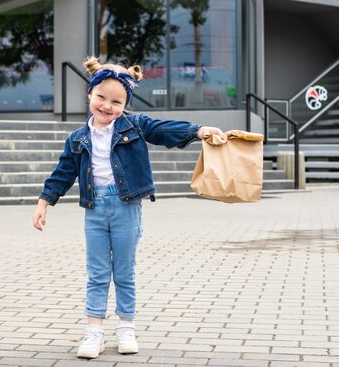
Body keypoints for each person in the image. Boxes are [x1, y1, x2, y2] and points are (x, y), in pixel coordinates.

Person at [32, 56, 224, 359]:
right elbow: (63, 172)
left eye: (116, 101)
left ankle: (125, 328)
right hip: (94, 209)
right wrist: (44, 202)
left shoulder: (134, 125)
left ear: (126, 103)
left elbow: (163, 129)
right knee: (96, 273)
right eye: (101, 98)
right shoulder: (78, 138)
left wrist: (198, 131)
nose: (107, 106)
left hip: (126, 206)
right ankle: (93, 332)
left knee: (123, 272)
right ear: (90, 96)